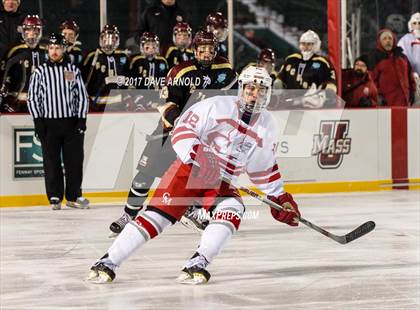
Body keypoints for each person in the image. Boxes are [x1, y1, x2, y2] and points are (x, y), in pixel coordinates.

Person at [86, 66, 301, 284]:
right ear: (241, 88)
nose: (255, 94)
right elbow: (181, 131)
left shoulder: (267, 124)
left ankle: (197, 263)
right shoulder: (216, 105)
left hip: (222, 182)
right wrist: (199, 153)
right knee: (158, 217)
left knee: (233, 209)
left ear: (268, 92)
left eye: (261, 90)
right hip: (188, 170)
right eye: (250, 88)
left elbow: (263, 166)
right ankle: (107, 261)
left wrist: (279, 198)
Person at [108, 30, 237, 236]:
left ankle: (192, 210)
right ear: (194, 50)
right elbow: (166, 103)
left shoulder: (225, 70)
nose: (206, 54)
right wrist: (179, 122)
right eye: (201, 50)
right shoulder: (181, 71)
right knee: (145, 175)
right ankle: (129, 215)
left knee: (194, 176)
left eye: (210, 50)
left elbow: (232, 102)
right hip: (170, 130)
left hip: (201, 136)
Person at [27, 33, 89, 210]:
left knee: (74, 161)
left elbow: (81, 96)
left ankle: (73, 196)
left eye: (58, 48)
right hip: (49, 123)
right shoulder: (40, 72)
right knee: (51, 161)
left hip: (70, 123)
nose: (54, 51)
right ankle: (54, 196)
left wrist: (81, 119)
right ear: (47, 50)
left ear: (64, 49)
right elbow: (33, 98)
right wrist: (38, 121)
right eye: (51, 48)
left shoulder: (72, 70)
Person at [276, 30, 337, 108]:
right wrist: (278, 88)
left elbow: (330, 83)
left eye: (309, 44)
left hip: (312, 105)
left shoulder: (323, 63)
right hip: (290, 103)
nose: (306, 47)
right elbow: (279, 79)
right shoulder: (291, 59)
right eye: (303, 44)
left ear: (316, 45)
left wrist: (328, 93)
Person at [0, 15, 47, 113]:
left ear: (40, 32)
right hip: (17, 102)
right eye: (28, 30)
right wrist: (6, 96)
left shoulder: (46, 52)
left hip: (41, 103)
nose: (32, 34)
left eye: (35, 31)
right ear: (23, 31)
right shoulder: (14, 51)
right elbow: (4, 76)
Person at [82, 24, 129, 112]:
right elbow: (84, 79)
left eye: (112, 38)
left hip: (117, 104)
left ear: (117, 39)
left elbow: (128, 79)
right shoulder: (92, 56)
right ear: (101, 38)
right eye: (106, 37)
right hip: (96, 104)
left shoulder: (122, 57)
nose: (109, 41)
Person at [368, 28, 416, 106]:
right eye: (384, 39)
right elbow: (370, 80)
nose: (388, 41)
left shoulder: (402, 57)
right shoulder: (374, 57)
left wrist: (412, 91)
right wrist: (378, 96)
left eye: (390, 38)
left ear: (393, 40)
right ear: (380, 42)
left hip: (404, 101)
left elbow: (410, 76)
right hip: (385, 102)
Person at [127, 32, 168, 110]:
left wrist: (163, 98)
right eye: (147, 46)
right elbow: (131, 82)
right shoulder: (136, 61)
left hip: (158, 99)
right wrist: (134, 97)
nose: (151, 49)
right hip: (139, 98)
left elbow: (165, 83)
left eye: (153, 46)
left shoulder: (162, 61)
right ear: (142, 47)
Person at [398, 12, 420, 104]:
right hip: (412, 79)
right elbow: (401, 58)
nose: (418, 26)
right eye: (415, 23)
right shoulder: (405, 39)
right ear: (410, 25)